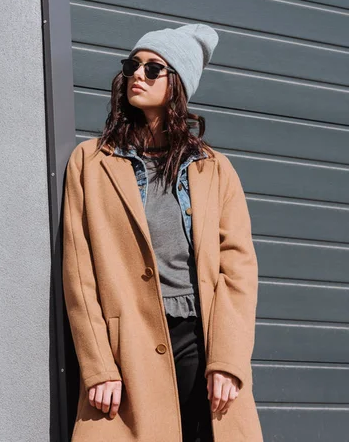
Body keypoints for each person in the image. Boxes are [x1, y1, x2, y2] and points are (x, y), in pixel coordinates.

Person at [62, 23, 264, 442]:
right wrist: (99, 365)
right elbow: (79, 273)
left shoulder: (214, 169)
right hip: (128, 345)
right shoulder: (92, 161)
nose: (138, 74)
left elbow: (237, 270)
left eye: (154, 68)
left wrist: (227, 359)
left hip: (199, 338)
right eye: (132, 65)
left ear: (179, 84)